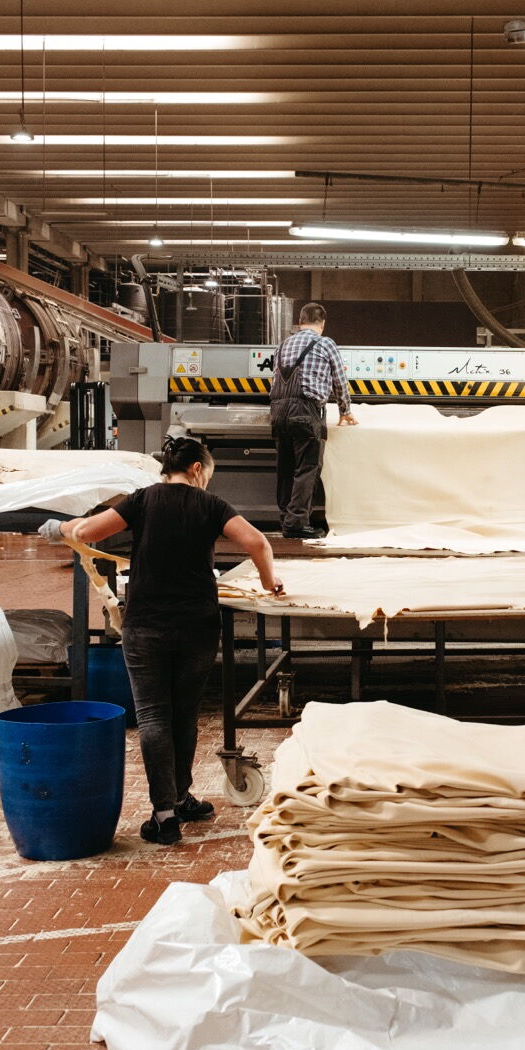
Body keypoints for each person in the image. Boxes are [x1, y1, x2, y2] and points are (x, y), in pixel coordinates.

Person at [39, 436, 283, 846]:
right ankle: (178, 797)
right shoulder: (212, 505)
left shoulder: (143, 499)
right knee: (184, 715)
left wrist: (59, 528)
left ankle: (166, 811)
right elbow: (258, 542)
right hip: (197, 626)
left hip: (147, 625)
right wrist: (269, 582)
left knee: (154, 717)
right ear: (197, 470)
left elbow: (88, 531)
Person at [270, 302, 357, 539]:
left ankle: (286, 519)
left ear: (300, 321)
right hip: (305, 411)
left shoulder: (283, 345)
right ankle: (297, 523)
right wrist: (345, 410)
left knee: (285, 467)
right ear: (323, 323)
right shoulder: (325, 343)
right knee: (307, 467)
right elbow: (339, 380)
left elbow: (274, 381)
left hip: (278, 411)